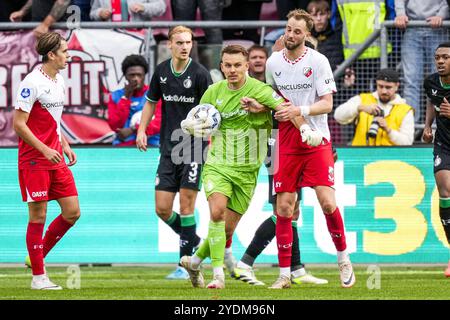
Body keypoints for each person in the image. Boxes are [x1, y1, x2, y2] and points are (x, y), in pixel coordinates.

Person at [179, 44, 321, 289]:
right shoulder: (213, 92)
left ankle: (194, 261)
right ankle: (217, 275)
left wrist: (306, 128)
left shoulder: (261, 91)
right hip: (218, 164)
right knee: (216, 213)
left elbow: (287, 109)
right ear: (221, 66)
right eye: (228, 65)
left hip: (247, 170)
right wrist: (188, 126)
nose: (232, 70)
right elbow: (197, 120)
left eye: (237, 65)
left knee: (226, 228)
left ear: (246, 66)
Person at [265, 9, 355, 289]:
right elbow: (272, 98)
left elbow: (327, 104)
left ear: (307, 35)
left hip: (316, 138)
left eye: (297, 31)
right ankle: (284, 274)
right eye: (288, 29)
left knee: (327, 202)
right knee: (284, 208)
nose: (290, 35)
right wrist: (261, 105)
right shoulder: (273, 62)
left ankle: (343, 258)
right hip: (287, 140)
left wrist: (299, 110)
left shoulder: (318, 61)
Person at [233, 42, 328, 286]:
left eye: (260, 57)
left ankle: (296, 268)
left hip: (296, 144)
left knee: (292, 209)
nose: (257, 61)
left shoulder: (281, 80)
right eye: (252, 57)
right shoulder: (256, 86)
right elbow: (283, 110)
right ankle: (245, 262)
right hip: (275, 146)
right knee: (283, 209)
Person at [136, 26, 212, 280]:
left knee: (187, 206)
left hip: (193, 147)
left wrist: (210, 141)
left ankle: (183, 264)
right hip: (168, 149)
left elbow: (212, 113)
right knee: (162, 209)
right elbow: (151, 102)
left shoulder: (200, 75)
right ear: (169, 44)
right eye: (179, 42)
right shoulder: (161, 72)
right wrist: (142, 130)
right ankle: (197, 242)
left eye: (188, 42)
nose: (184, 46)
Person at [13, 32, 80, 290]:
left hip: (55, 155)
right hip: (34, 160)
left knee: (72, 212)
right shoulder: (32, 83)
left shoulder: (59, 79)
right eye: (64, 51)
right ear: (51, 55)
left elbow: (54, 120)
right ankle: (38, 278)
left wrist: (63, 144)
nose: (68, 55)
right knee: (38, 216)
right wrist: (43, 149)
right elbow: (18, 125)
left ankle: (35, 257)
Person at [395, 0, 449, 124]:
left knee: (440, 81)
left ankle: (438, 127)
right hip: (411, 27)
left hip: (438, 28)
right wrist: (400, 14)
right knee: (410, 81)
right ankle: (410, 127)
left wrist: (442, 15)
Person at [422, 42, 450, 277]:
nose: (440, 61)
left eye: (445, 58)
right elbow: (432, 102)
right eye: (437, 57)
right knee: (445, 190)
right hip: (443, 145)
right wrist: (427, 125)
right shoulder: (431, 82)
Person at [334, 68, 414, 146]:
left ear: (397, 86)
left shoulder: (405, 110)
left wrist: (388, 130)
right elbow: (338, 116)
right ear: (376, 84)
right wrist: (360, 108)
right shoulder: (363, 99)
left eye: (388, 87)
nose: (384, 91)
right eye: (380, 86)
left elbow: (407, 142)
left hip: (390, 158)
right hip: (361, 156)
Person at [107, 54, 161, 147]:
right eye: (132, 75)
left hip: (151, 145)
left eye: (139, 75)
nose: (136, 78)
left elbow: (159, 122)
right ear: (125, 76)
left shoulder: (155, 94)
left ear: (144, 75)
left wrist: (134, 129)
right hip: (124, 145)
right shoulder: (115, 96)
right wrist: (126, 98)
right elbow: (115, 125)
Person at [90, 0, 166, 22]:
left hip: (138, 40)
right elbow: (92, 13)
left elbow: (161, 7)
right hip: (110, 40)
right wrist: (100, 13)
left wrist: (144, 7)